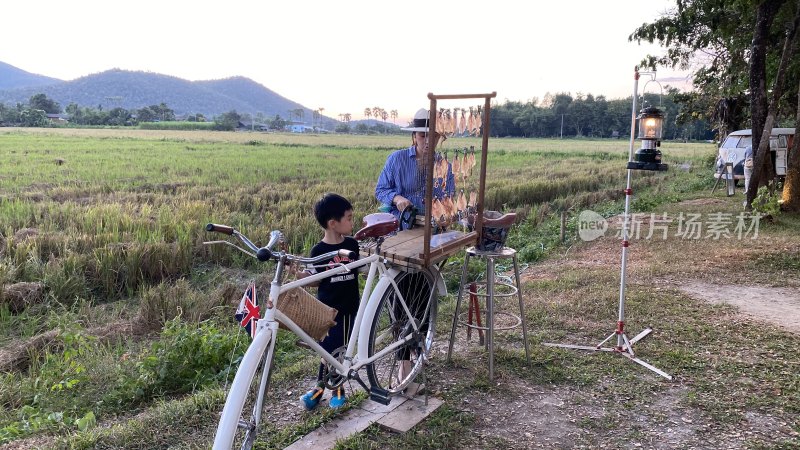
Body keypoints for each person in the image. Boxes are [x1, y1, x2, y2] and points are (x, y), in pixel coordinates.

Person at [297, 193, 360, 410]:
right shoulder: (319, 251)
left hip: (349, 307)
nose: (353, 222)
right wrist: (300, 276)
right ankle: (323, 387)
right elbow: (316, 280)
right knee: (327, 351)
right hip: (327, 309)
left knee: (340, 351)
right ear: (333, 223)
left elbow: (360, 269)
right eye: (349, 218)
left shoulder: (353, 245)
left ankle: (332, 388)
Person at [375, 108, 456, 221]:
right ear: (414, 136)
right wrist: (397, 198)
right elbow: (380, 190)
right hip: (402, 223)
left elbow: (449, 197)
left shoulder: (446, 166)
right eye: (423, 136)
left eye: (434, 136)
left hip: (433, 225)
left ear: (439, 137)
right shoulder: (397, 159)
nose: (428, 141)